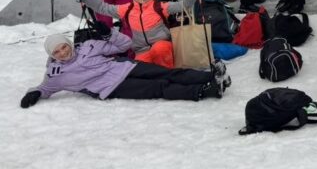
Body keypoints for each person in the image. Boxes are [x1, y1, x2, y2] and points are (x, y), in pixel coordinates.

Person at [19, 30, 223, 108]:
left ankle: (208, 77)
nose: (63, 53)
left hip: (124, 67)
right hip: (111, 87)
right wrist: (34, 93)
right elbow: (44, 88)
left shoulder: (88, 46)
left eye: (63, 47)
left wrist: (108, 33)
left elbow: (124, 45)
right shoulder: (56, 74)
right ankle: (205, 90)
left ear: (68, 44)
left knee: (166, 72)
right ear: (52, 56)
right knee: (160, 87)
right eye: (57, 52)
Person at [76, 0, 199, 68]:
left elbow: (184, 5)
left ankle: (169, 74)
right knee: (140, 69)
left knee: (160, 49)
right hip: (141, 50)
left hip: (162, 46)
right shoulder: (127, 9)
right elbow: (103, 7)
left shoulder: (160, 6)